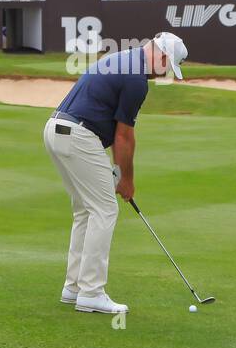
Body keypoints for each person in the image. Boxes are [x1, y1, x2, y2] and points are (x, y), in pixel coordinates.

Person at [43, 32, 189, 315]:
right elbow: (124, 136)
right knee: (105, 210)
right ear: (161, 56)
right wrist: (126, 179)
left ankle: (74, 288)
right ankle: (91, 292)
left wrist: (119, 173)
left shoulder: (122, 59)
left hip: (55, 129)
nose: (164, 73)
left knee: (86, 210)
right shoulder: (136, 79)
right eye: (168, 66)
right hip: (79, 134)